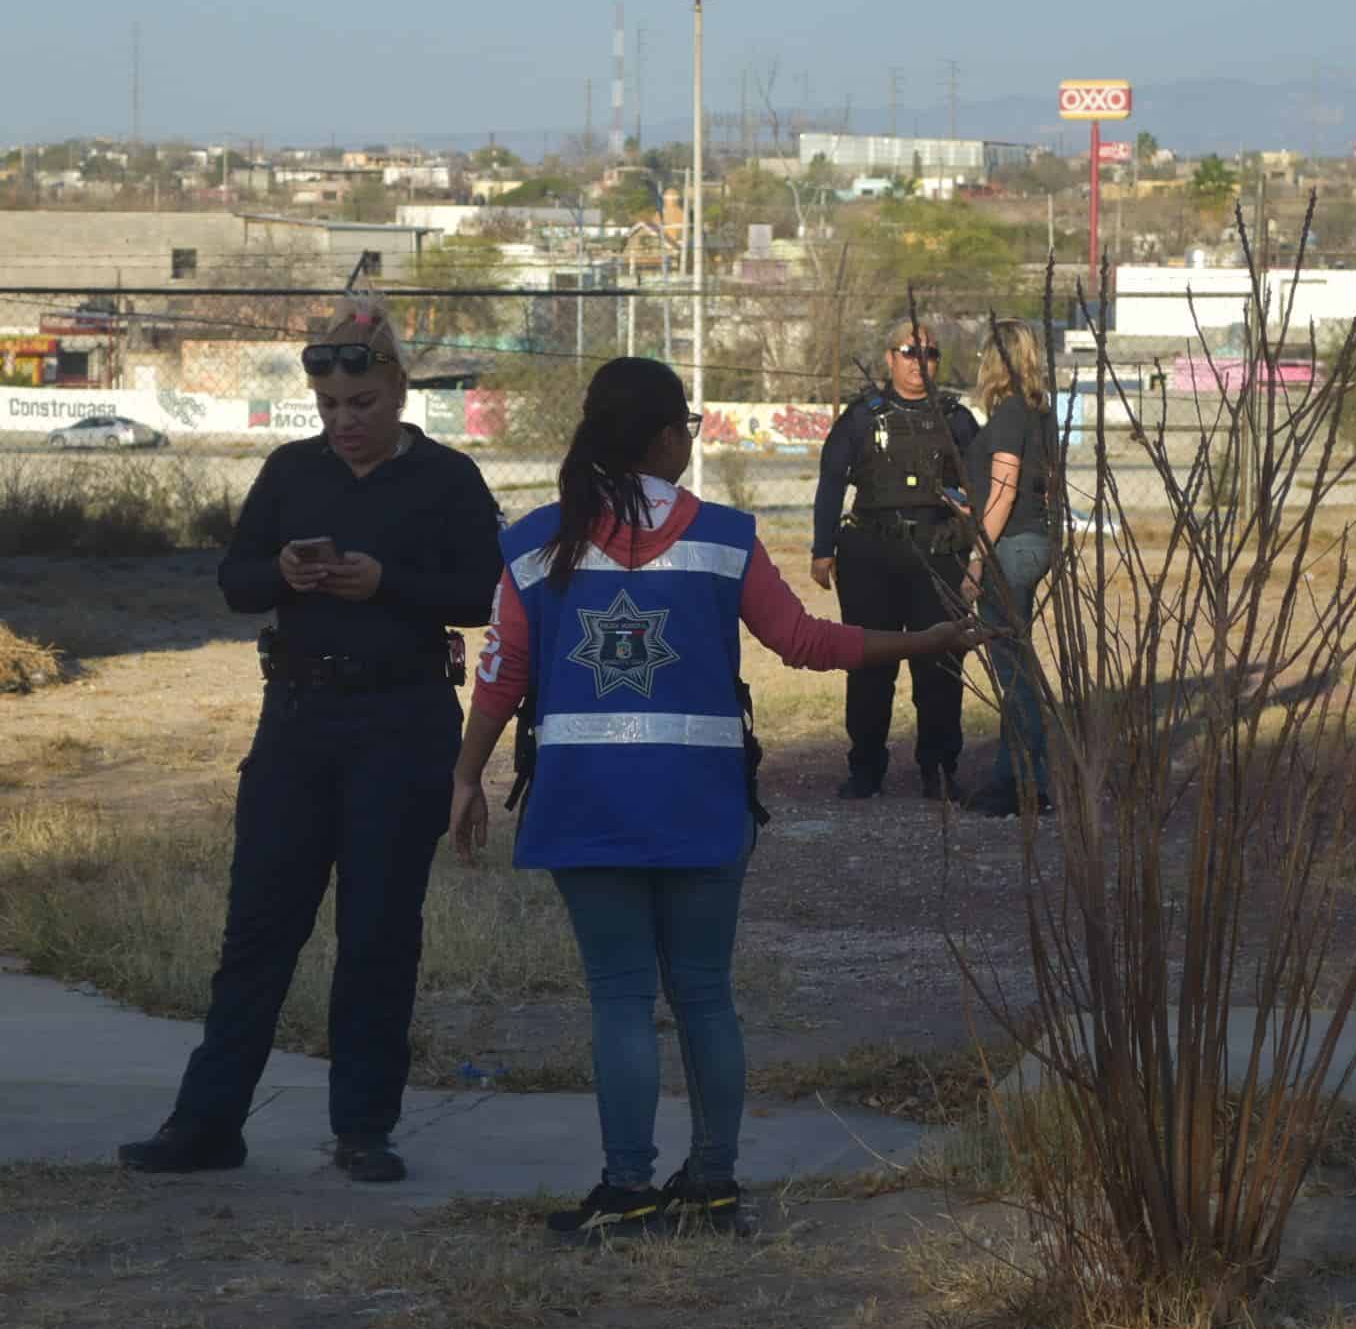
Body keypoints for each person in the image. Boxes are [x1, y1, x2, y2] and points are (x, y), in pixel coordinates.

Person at [449, 357, 991, 1240]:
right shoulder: (725, 537)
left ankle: (626, 1191)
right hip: (701, 801)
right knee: (704, 994)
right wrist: (920, 639)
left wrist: (470, 774)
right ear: (665, 438)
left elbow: (503, 675)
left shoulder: (534, 543)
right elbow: (806, 642)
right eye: (688, 431)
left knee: (620, 995)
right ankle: (711, 1182)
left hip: (583, 804)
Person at [119, 298, 503, 1186]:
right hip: (296, 720)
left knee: (377, 933)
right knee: (258, 928)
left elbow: (483, 594)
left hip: (402, 724)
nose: (345, 424)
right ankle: (208, 1122)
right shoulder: (293, 471)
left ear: (399, 390)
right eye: (329, 407)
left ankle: (363, 1127)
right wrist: (283, 572)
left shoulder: (448, 479)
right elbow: (234, 579)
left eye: (362, 404)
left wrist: (387, 585)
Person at [810, 320, 981, 800]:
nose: (918, 361)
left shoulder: (957, 418)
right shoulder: (863, 416)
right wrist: (822, 548)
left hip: (939, 552)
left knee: (941, 662)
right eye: (908, 351)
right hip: (871, 553)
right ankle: (865, 767)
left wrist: (978, 554)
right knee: (869, 663)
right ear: (890, 358)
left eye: (929, 353)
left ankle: (940, 767)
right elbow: (831, 480)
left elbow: (982, 487)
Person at [958, 319, 1058, 819]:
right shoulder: (1040, 414)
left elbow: (1004, 491)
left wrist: (977, 557)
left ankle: (1025, 784)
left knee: (1012, 669)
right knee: (1014, 663)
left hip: (1011, 548)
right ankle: (1013, 776)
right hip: (1032, 540)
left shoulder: (1010, 414)